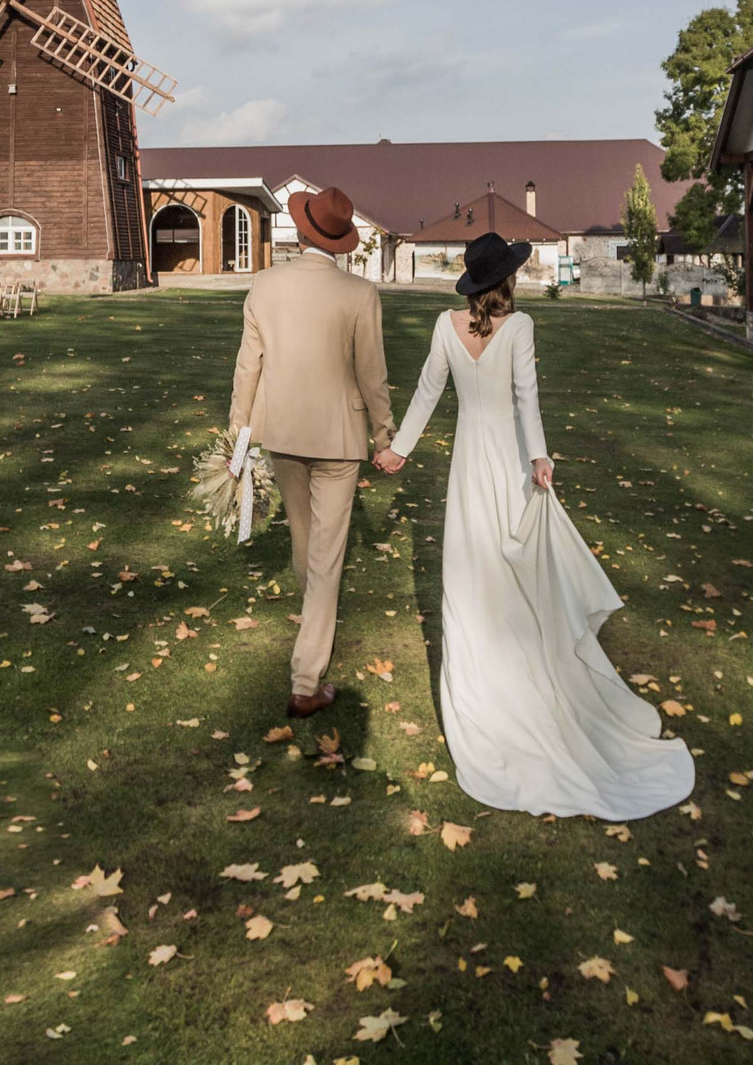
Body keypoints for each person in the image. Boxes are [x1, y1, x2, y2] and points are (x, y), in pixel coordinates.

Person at [379, 231, 694, 820]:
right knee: (511, 573)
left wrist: (400, 448)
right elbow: (526, 400)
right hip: (507, 464)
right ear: (506, 280)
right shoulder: (519, 328)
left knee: (470, 574)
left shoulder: (446, 326)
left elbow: (426, 394)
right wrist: (539, 458)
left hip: (469, 468)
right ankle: (519, 673)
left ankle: (483, 684)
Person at [226, 185, 394, 718]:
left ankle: (308, 661)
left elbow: (246, 366)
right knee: (321, 554)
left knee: (307, 546)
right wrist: (385, 435)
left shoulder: (264, 285)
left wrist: (238, 437)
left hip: (282, 431)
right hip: (340, 436)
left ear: (301, 232)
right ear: (340, 240)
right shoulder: (360, 293)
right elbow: (374, 376)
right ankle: (305, 679)